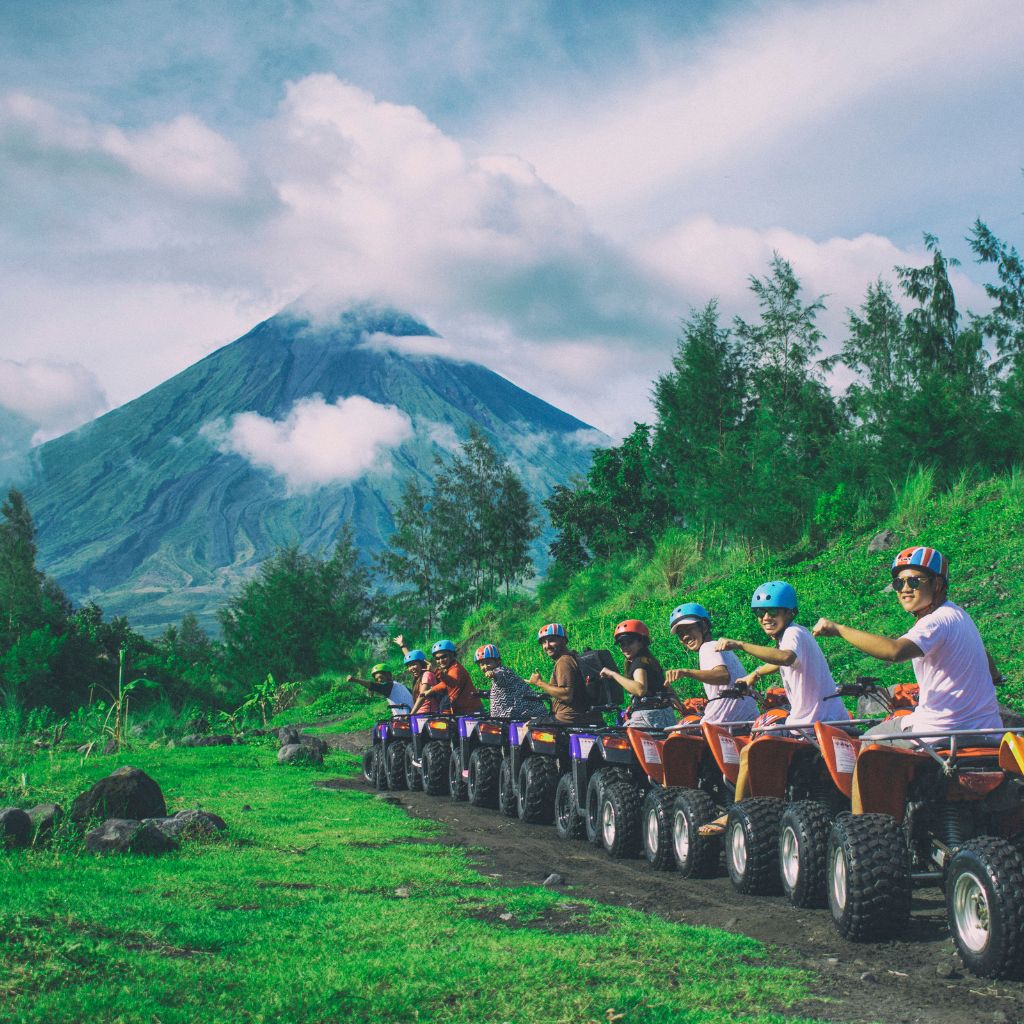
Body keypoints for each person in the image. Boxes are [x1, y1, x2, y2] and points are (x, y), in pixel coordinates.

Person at [812, 545, 1003, 745]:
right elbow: (984, 656)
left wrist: (839, 629)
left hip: (941, 730)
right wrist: (996, 677)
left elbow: (894, 651)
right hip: (987, 728)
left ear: (937, 584)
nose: (904, 589)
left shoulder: (935, 622)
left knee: (868, 740)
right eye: (898, 583)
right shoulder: (959, 615)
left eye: (913, 581)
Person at [715, 581, 845, 727]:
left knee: (756, 737)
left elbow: (786, 658)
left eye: (772, 612)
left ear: (789, 613)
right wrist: (755, 674)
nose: (766, 617)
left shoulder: (792, 633)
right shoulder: (799, 632)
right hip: (827, 720)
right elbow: (781, 661)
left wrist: (741, 645)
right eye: (760, 612)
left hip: (814, 724)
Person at [664, 602, 757, 727]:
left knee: (677, 733)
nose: (685, 636)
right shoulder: (721, 647)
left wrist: (686, 672)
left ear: (703, 626)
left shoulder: (707, 647)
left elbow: (723, 676)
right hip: (747, 721)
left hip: (724, 723)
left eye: (689, 629)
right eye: (680, 634)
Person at [598, 619, 676, 728]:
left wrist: (613, 674)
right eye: (622, 644)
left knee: (615, 736)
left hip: (648, 718)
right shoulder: (650, 661)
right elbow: (667, 686)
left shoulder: (638, 662)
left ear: (641, 642)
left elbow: (640, 689)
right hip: (667, 715)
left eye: (629, 642)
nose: (625, 647)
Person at [528, 623, 600, 725]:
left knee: (525, 726)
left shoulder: (564, 661)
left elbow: (566, 695)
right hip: (588, 716)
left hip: (568, 718)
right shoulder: (573, 657)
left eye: (551, 640)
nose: (547, 646)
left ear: (564, 641)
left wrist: (539, 683)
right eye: (544, 642)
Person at [474, 644, 547, 719]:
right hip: (515, 715)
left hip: (523, 716)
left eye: (488, 662)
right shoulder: (501, 675)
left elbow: (501, 674)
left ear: (498, 661)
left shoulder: (503, 671)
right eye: (482, 664)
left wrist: (493, 674)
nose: (485, 667)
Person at [428, 639, 484, 715]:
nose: (440, 661)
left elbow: (452, 683)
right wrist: (431, 690)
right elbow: (445, 684)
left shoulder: (455, 669)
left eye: (444, 656)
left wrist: (435, 671)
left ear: (452, 655)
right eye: (437, 658)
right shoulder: (450, 669)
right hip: (463, 710)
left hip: (471, 710)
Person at [393, 636, 443, 716]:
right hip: (421, 714)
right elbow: (411, 657)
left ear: (422, 664)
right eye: (409, 666)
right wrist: (402, 645)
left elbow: (422, 696)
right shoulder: (419, 675)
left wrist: (411, 714)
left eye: (413, 664)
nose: (411, 668)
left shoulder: (427, 675)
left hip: (428, 715)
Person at [346, 663, 413, 717]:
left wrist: (355, 680)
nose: (379, 680)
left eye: (381, 677)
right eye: (377, 679)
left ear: (389, 675)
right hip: (412, 715)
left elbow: (373, 686)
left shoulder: (389, 686)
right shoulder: (399, 685)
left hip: (406, 719)